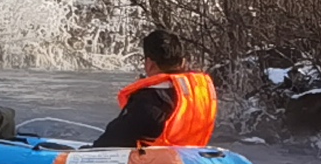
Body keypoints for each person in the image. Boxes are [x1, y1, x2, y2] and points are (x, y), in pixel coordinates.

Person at [88, 24, 221, 151]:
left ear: (150, 64)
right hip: (194, 157)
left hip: (161, 161)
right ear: (182, 62)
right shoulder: (198, 95)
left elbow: (110, 142)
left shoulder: (149, 103)